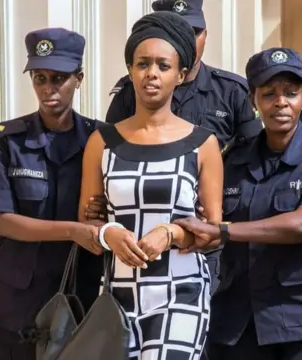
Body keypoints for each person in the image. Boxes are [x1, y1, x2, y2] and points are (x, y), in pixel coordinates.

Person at [174, 47, 302, 359]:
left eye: (291, 92)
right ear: (253, 100)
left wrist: (225, 231)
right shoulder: (232, 159)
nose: (281, 102)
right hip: (241, 324)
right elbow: (202, 220)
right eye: (269, 93)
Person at [78, 11, 223, 360]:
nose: (152, 74)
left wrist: (171, 232)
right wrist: (107, 233)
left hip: (181, 289)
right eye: (142, 64)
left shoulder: (202, 144)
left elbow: (213, 232)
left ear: (181, 74)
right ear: (130, 70)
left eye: (163, 65)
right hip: (119, 294)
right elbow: (86, 221)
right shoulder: (103, 141)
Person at [104, 0, 262, 295]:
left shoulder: (232, 92)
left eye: (194, 31)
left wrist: (225, 201)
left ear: (206, 35)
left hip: (209, 238)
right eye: (175, 32)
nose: (186, 40)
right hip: (139, 243)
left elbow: (256, 161)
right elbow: (109, 159)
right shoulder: (130, 93)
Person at [0, 28, 103, 359]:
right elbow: (4, 221)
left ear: (78, 79)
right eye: (39, 78)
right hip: (17, 295)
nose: (48, 88)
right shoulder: (5, 141)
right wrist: (73, 230)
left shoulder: (100, 139)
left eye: (59, 78)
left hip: (81, 289)